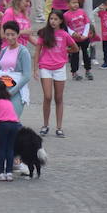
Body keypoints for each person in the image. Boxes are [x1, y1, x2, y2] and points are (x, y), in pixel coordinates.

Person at [34, 10, 72, 138]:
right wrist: (35, 69)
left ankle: (59, 127)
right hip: (45, 67)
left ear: (61, 21)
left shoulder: (65, 35)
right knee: (48, 96)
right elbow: (37, 51)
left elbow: (75, 47)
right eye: (51, 19)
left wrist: (65, 51)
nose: (53, 21)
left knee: (59, 98)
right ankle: (45, 125)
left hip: (60, 68)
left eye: (56, 19)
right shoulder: (44, 34)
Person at [0, 21, 35, 121]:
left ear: (17, 34)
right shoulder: (3, 51)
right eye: (7, 34)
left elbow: (26, 76)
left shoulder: (23, 52)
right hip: (2, 89)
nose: (10, 37)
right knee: (1, 120)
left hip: (16, 91)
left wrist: (12, 92)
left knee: (12, 119)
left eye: (13, 34)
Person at [64, 0, 95, 81]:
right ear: (68, 4)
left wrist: (85, 35)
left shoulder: (82, 12)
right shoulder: (66, 15)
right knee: (75, 56)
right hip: (74, 40)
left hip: (85, 38)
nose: (76, 5)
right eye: (73, 3)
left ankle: (88, 71)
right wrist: (73, 34)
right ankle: (74, 73)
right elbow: (66, 27)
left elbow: (87, 23)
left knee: (87, 54)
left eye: (77, 2)